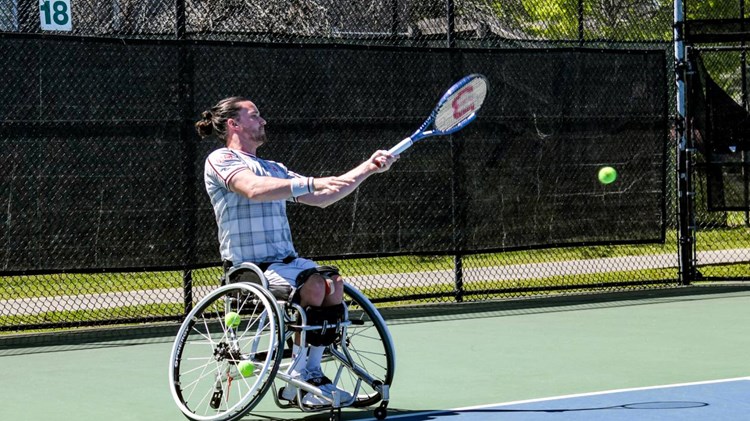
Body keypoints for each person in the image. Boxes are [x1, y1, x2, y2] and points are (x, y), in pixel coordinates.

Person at [195, 96, 397, 407]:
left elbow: (325, 196)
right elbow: (252, 189)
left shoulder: (273, 167)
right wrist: (310, 182)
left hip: (286, 264)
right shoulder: (221, 160)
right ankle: (304, 378)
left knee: (334, 283)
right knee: (315, 284)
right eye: (255, 115)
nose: (263, 121)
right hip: (249, 269)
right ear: (234, 124)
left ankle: (307, 375)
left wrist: (369, 168)